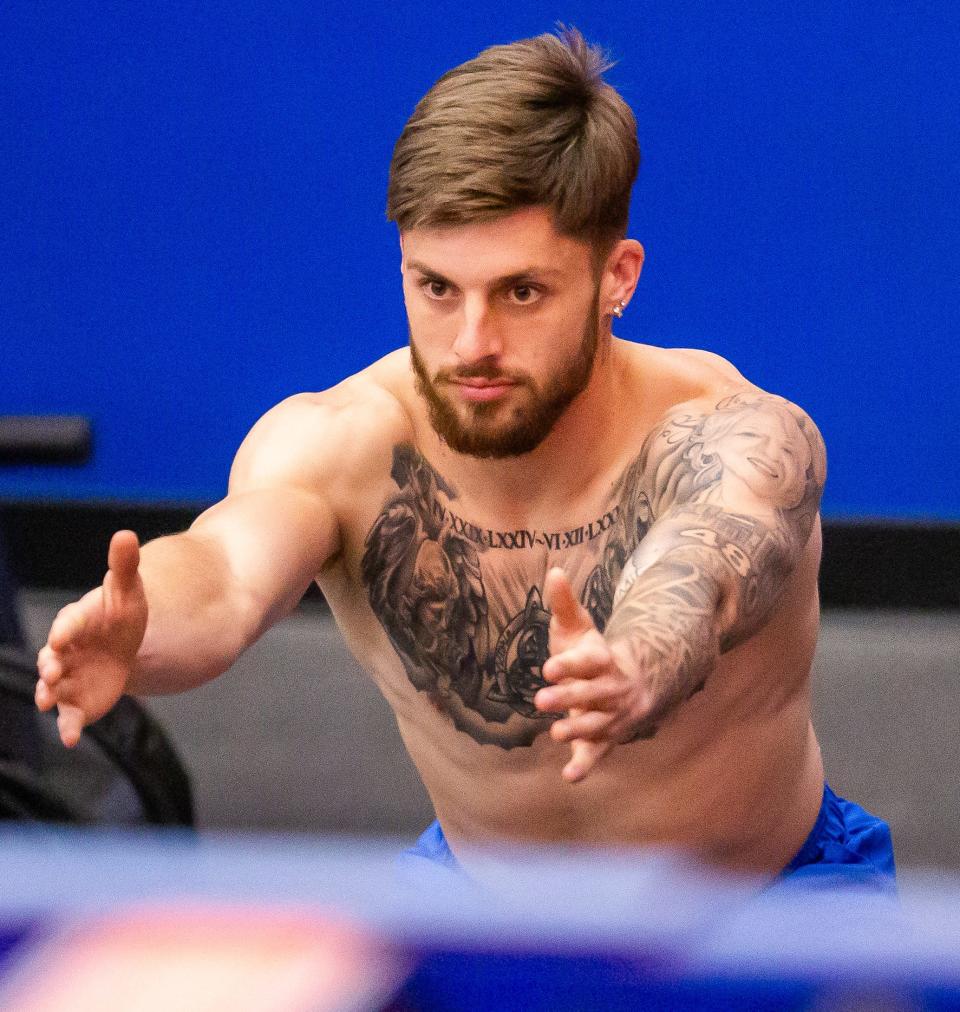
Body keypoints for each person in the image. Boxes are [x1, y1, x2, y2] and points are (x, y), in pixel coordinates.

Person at [35, 29, 894, 886]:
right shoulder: (344, 442)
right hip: (484, 904)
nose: (471, 344)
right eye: (436, 288)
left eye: (522, 292)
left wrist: (635, 661)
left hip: (769, 903)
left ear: (617, 277)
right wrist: (142, 627)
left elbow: (704, 566)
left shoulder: (733, 432)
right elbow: (225, 574)